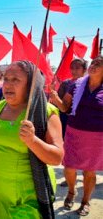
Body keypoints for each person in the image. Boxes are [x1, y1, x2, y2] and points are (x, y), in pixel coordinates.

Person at [0, 61, 64, 218]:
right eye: (6, 79)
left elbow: (57, 158)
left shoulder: (45, 112)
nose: (8, 84)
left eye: (16, 80)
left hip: (28, 196)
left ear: (30, 86)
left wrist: (32, 141)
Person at [49, 56, 103, 216]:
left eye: (98, 64)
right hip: (74, 133)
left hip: (97, 138)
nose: (93, 66)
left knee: (89, 172)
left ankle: (85, 202)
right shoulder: (75, 86)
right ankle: (71, 192)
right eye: (92, 63)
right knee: (69, 168)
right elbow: (65, 108)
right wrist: (55, 97)